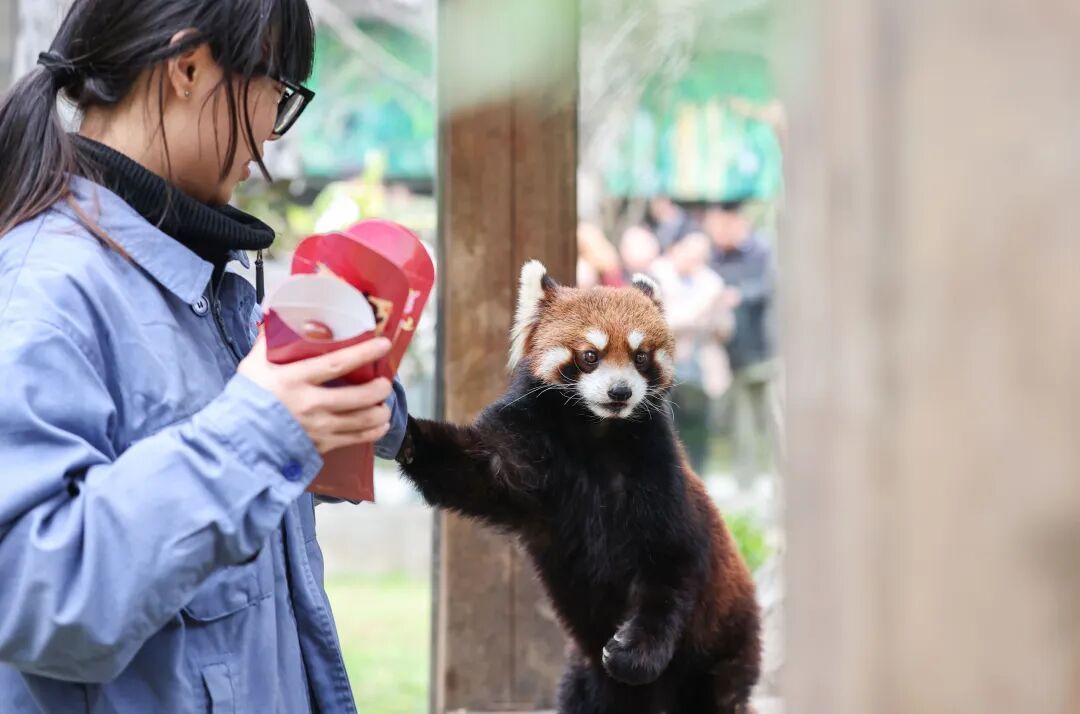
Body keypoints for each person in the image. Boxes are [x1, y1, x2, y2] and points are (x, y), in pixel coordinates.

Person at [0, 1, 408, 711]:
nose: (267, 142)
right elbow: (37, 598)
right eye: (276, 93)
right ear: (188, 67)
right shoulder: (46, 288)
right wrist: (263, 428)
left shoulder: (196, 280)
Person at [703, 200, 778, 484]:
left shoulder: (762, 251)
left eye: (720, 226)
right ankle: (745, 480)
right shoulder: (715, 258)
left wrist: (738, 295)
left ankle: (773, 477)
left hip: (764, 350)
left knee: (770, 419)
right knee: (739, 423)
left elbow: (769, 288)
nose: (716, 234)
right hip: (728, 355)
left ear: (737, 224)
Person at [651, 232, 733, 474]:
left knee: (698, 430)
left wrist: (715, 314)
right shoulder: (657, 278)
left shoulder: (712, 282)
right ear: (677, 250)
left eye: (700, 256)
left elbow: (725, 329)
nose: (693, 260)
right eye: (689, 253)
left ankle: (697, 476)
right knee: (666, 424)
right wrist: (701, 311)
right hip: (666, 365)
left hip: (701, 367)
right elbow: (662, 322)